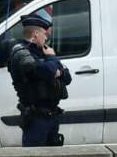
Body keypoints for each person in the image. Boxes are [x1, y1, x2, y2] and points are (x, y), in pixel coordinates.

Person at [8, 10, 72, 147]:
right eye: (44, 33)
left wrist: (57, 71)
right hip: (36, 117)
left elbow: (67, 77)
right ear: (35, 34)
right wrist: (52, 59)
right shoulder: (21, 52)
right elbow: (42, 71)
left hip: (53, 115)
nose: (46, 37)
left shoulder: (44, 51)